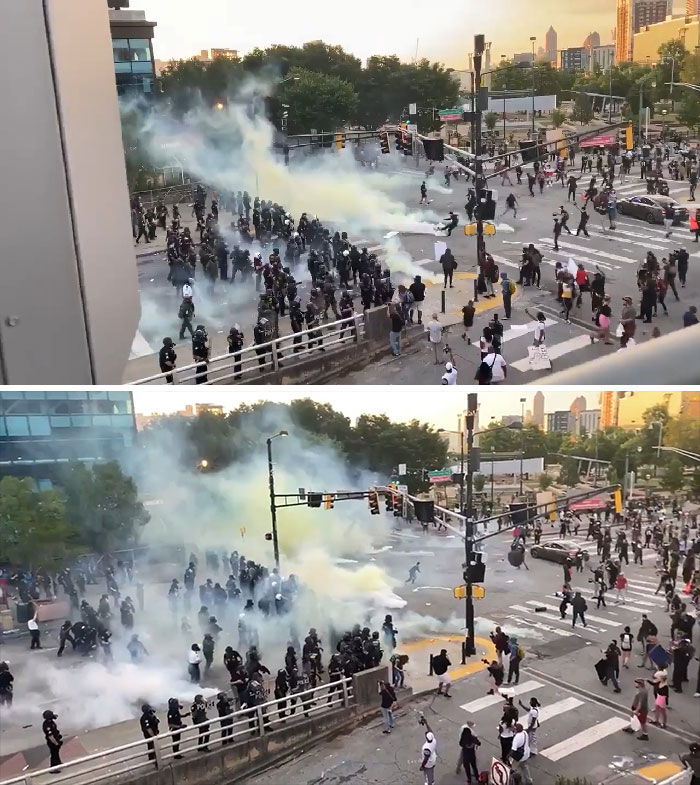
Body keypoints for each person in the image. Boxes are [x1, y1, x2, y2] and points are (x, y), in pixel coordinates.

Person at [418, 714, 438, 785]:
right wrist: (426, 723)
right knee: (431, 772)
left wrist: (422, 766)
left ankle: (429, 782)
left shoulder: (426, 747)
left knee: (427, 773)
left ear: (426, 738)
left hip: (428, 763)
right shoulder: (433, 740)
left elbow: (426, 758)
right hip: (433, 759)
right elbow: (430, 731)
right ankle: (432, 781)